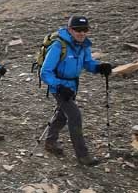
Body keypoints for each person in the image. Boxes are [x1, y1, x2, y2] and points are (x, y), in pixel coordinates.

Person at [40, 15, 112, 166]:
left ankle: (50, 142)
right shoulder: (58, 46)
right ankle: (83, 155)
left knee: (62, 115)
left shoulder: (84, 45)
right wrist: (59, 86)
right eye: (78, 30)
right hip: (58, 87)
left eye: (85, 30)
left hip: (72, 86)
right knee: (75, 116)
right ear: (70, 30)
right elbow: (45, 72)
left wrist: (99, 67)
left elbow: (88, 63)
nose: (82, 33)